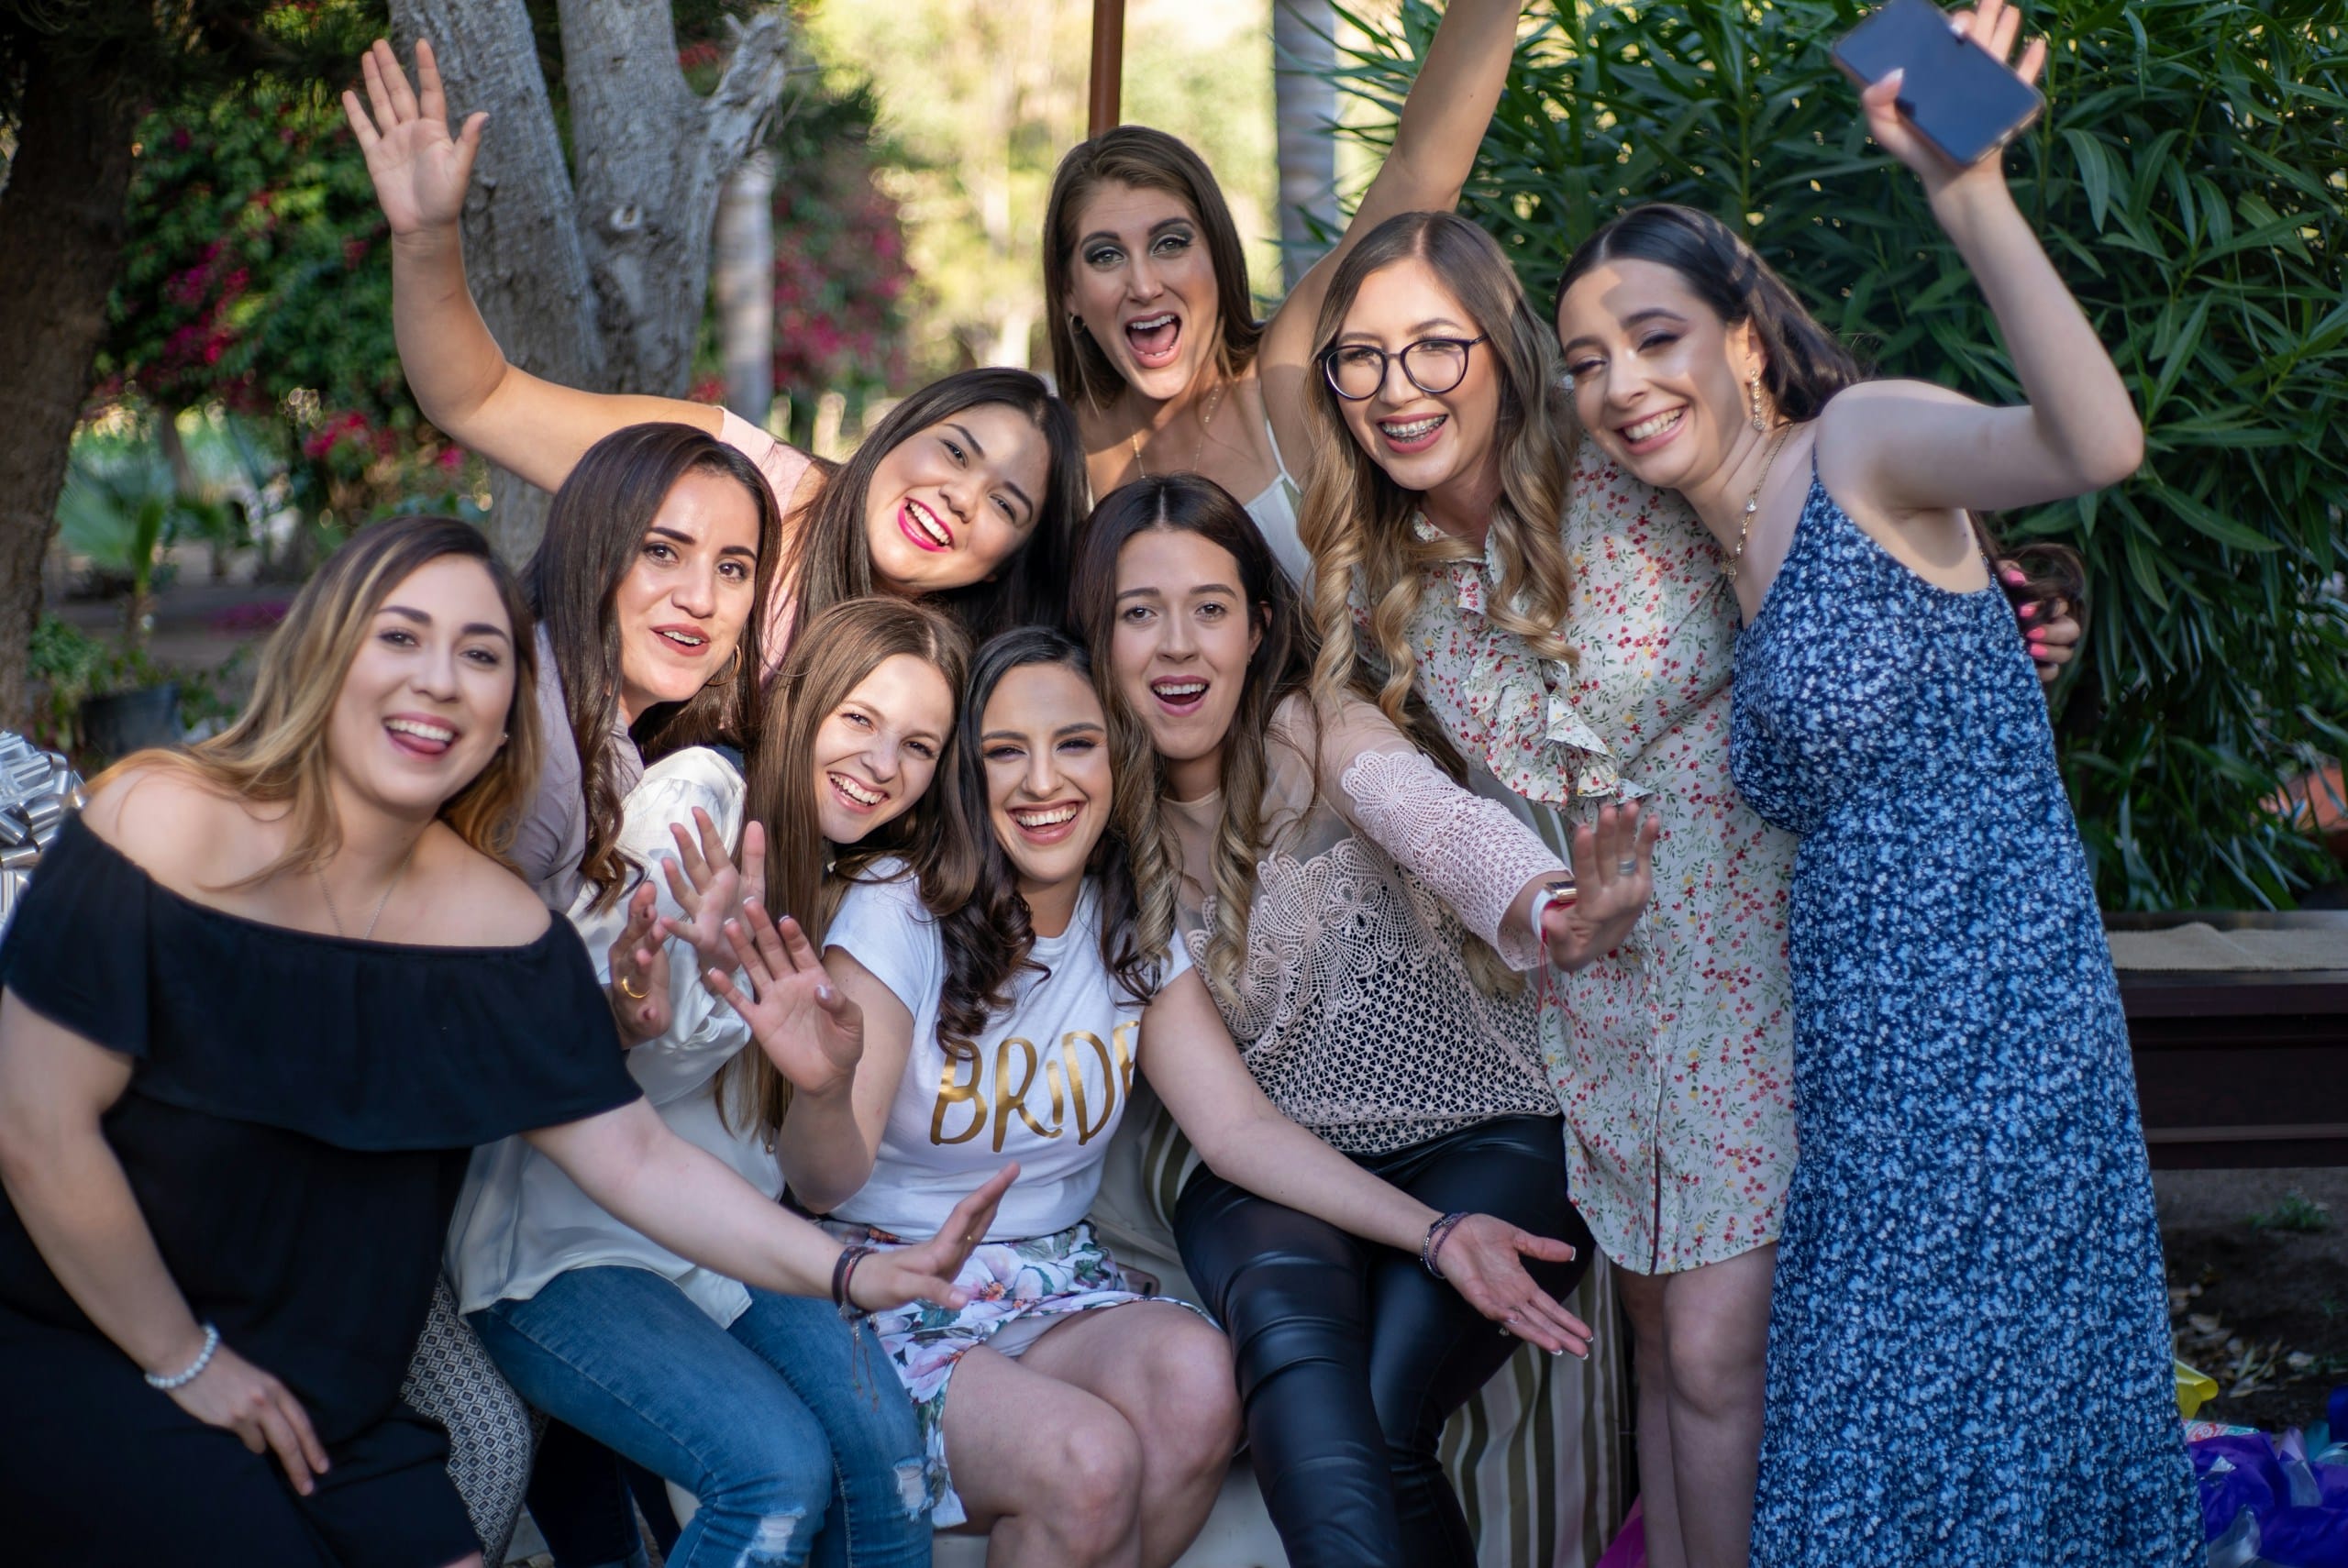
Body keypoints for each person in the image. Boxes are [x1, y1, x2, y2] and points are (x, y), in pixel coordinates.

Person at [1291, 194, 2088, 1566]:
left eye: (1433, 344)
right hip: (1604, 998)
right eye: (1358, 359)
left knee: (1720, 1350)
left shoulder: (1635, 464)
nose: (1397, 386)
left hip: (1773, 965)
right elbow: (1359, 749)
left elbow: (1839, 586)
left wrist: (1997, 613)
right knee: (1670, 1352)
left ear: (1503, 342)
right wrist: (1533, 895)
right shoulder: (1385, 584)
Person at [0, 516, 1006, 1567]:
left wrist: (853, 1275)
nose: (439, 679)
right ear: (324, 655)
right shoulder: (158, 821)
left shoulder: (499, 931)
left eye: (481, 655)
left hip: (330, 1408)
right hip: (101, 1347)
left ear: (508, 716)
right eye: (400, 637)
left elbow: (637, 1161)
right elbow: (35, 1126)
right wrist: (181, 1358)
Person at [1549, 5, 2198, 1560]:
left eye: (1655, 338)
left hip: (1989, 1025)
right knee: (1884, 1430)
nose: (1622, 383)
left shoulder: (1858, 449)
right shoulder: (1705, 548)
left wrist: (1965, 192)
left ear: (1745, 338)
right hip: (1854, 1038)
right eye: (1587, 362)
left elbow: (2094, 442)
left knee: (1975, 1420)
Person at [706, 626, 1591, 1568]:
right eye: (1005, 752)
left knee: (1204, 1382)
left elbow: (1239, 1128)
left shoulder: (1126, 922)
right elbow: (824, 1180)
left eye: (1074, 744)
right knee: (1084, 1464)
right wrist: (827, 1086)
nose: (1044, 782)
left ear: (1117, 757)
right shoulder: (898, 909)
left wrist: (1436, 1233)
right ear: (967, 777)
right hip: (884, 1284)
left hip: (1044, 1278)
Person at [1067, 473, 1656, 1567]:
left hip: (1492, 1130)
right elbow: (1233, 1130)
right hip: (1276, 1165)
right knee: (1300, 1386)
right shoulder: (1097, 841)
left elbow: (1434, 823)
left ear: (1257, 623)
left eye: (1209, 606)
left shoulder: (1312, 725)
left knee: (1385, 1416)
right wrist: (1428, 1239)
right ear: (1094, 640)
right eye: (1137, 613)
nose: (1178, 646)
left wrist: (1548, 909)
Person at [451, 593, 970, 1568]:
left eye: (919, 746)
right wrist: (663, 1002)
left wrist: (821, 1085)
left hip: (724, 1246)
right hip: (565, 1248)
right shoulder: (703, 795)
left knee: (892, 1466)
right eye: (859, 719)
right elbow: (597, 1040)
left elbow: (815, 1183)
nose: (881, 764)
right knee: (773, 1475)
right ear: (802, 703)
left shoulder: (860, 882)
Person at [345, 39, 1085, 649]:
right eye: (957, 451)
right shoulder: (726, 474)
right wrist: (425, 238)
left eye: (1006, 505)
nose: (960, 498)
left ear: (1003, 565)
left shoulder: (941, 681)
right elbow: (478, 399)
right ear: (899, 431)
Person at [1042, 0, 1523, 580]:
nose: (1143, 284)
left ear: (1217, 257)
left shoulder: (1284, 377)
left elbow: (1423, 170)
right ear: (1068, 292)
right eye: (1106, 255)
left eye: (1171, 243)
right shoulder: (1051, 449)